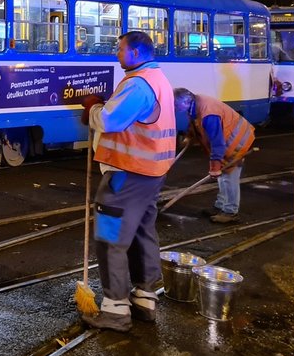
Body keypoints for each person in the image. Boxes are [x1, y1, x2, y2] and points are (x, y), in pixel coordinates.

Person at [79, 30, 177, 332]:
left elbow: (109, 120)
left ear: (135, 52)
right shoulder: (158, 79)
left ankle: (115, 309)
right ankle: (145, 298)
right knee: (141, 232)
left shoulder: (138, 84)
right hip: (150, 173)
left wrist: (92, 109)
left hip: (126, 174)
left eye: (119, 49)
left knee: (111, 237)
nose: (116, 53)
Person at [173, 87, 255, 224]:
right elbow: (195, 121)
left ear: (185, 101)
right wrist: (190, 136)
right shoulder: (195, 103)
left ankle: (230, 212)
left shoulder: (209, 113)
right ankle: (220, 206)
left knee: (229, 178)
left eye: (176, 105)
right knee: (222, 177)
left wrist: (215, 165)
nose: (175, 108)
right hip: (226, 141)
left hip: (236, 143)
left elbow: (217, 142)